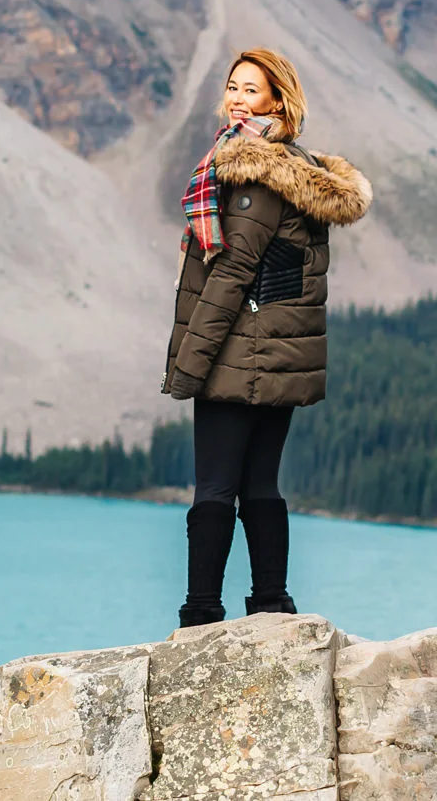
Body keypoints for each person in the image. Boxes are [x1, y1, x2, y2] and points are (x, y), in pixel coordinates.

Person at [162, 48, 371, 626]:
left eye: (251, 89)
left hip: (239, 354)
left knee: (214, 489)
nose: (236, 97)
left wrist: (189, 364)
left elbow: (231, 271)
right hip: (279, 356)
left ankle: (201, 612)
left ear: (278, 101)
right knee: (260, 484)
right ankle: (272, 603)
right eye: (232, 86)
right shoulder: (298, 168)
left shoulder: (255, 171)